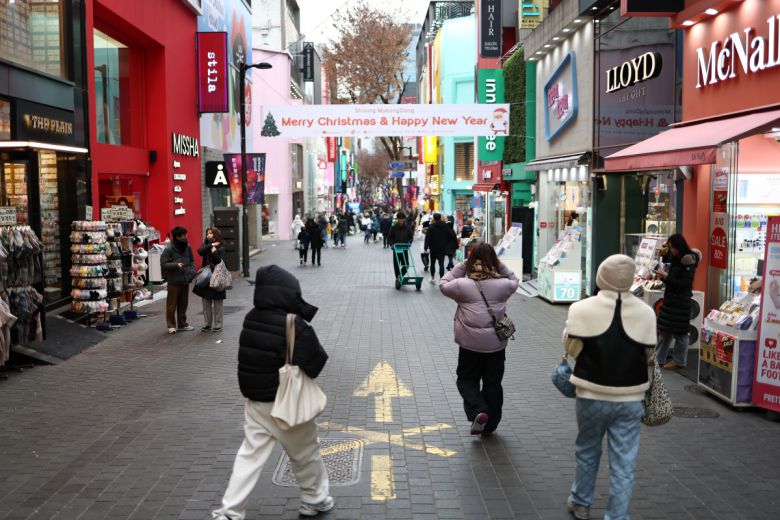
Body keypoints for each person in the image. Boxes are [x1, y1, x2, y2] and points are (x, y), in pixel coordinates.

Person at [212, 265, 332, 520]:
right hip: (288, 404)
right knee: (305, 454)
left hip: (256, 403)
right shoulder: (293, 323)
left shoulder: (251, 318)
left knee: (249, 456)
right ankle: (314, 499)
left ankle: (230, 511)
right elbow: (316, 363)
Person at [562, 254, 656, 520]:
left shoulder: (581, 308)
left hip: (590, 393)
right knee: (624, 463)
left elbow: (571, 348)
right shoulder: (646, 312)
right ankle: (617, 516)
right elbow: (650, 353)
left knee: (587, 449)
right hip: (631, 397)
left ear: (600, 277)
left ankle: (581, 502)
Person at [440, 243, 518, 435]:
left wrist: (464, 264)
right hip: (496, 345)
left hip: (470, 345)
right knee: (493, 383)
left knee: (467, 379)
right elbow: (514, 279)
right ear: (494, 261)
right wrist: (498, 264)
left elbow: (443, 283)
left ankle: (478, 411)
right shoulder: (504, 285)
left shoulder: (461, 285)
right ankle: (491, 424)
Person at [654, 233, 700, 369]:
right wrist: (663, 277)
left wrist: (666, 278)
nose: (671, 250)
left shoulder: (687, 260)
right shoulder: (676, 257)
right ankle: (658, 358)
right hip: (671, 301)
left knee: (680, 333)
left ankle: (679, 361)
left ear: (678, 247)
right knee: (664, 330)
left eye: (672, 247)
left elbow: (685, 284)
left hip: (680, 302)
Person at [161, 226, 196, 334]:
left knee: (183, 303)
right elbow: (164, 264)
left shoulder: (188, 247)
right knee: (171, 304)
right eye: (184, 236)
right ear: (177, 237)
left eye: (186, 235)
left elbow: (192, 261)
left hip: (185, 279)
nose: (186, 237)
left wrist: (191, 272)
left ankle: (182, 324)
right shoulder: (169, 249)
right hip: (173, 281)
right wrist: (176, 265)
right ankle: (171, 325)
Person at [194, 227, 226, 332]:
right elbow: (199, 251)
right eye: (208, 233)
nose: (209, 235)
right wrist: (211, 245)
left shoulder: (221, 247)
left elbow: (219, 261)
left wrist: (214, 250)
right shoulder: (206, 246)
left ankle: (218, 324)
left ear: (216, 235)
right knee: (206, 301)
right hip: (206, 277)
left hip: (217, 276)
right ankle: (207, 324)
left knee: (217, 302)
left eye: (211, 233)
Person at [425, 213, 457, 284]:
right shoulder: (445, 226)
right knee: (441, 264)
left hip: (433, 248)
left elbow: (427, 238)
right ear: (440, 218)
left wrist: (425, 247)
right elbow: (451, 235)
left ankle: (433, 278)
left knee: (432, 264)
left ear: (434, 218)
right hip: (442, 249)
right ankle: (441, 279)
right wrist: (446, 242)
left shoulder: (431, 227)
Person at [387, 212, 414, 280]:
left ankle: (400, 276)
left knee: (406, 265)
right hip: (396, 248)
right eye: (399, 219)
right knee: (396, 265)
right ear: (397, 219)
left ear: (404, 219)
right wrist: (392, 245)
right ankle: (397, 278)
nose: (401, 221)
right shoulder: (393, 227)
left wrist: (409, 242)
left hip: (405, 248)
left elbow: (410, 237)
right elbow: (390, 237)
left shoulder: (407, 227)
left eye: (402, 219)